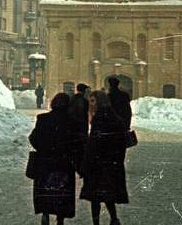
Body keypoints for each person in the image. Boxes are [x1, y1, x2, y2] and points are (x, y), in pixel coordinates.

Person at [80, 91, 128, 225]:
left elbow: (93, 144)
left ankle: (97, 222)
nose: (90, 104)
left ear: (100, 102)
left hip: (98, 163)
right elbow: (122, 142)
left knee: (95, 196)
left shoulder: (99, 119)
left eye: (93, 101)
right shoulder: (114, 117)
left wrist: (86, 164)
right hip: (111, 163)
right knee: (108, 194)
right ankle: (114, 218)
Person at [29, 93, 76, 225]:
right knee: (62, 191)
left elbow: (33, 138)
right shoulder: (72, 121)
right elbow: (76, 143)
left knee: (46, 189)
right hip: (64, 162)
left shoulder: (43, 119)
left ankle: (45, 213)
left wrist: (43, 149)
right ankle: (60, 218)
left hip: (45, 161)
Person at [68, 83, 90, 176]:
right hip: (81, 127)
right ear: (84, 91)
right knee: (81, 148)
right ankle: (80, 167)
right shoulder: (84, 101)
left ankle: (75, 164)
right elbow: (84, 114)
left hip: (72, 126)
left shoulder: (72, 99)